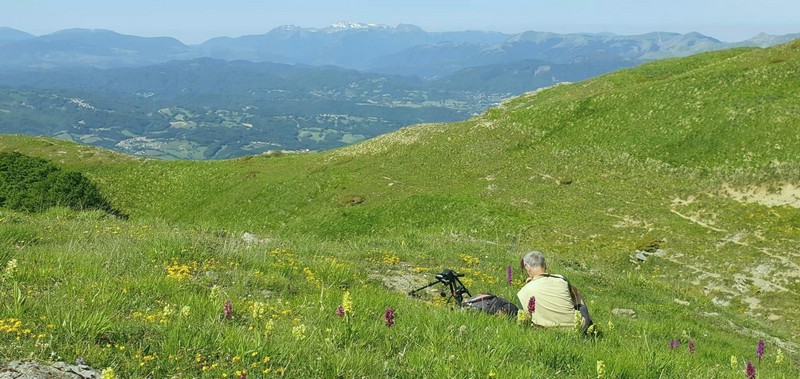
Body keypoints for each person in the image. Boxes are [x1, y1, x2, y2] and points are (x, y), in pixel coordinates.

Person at [517, 250, 588, 328]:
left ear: (527, 268)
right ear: (545, 265)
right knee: (576, 294)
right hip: (576, 328)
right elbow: (575, 293)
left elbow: (525, 317)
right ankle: (587, 326)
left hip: (544, 331)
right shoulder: (561, 279)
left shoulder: (522, 292)